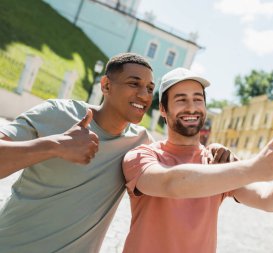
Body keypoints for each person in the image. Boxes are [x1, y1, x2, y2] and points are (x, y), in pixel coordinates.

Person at [122, 67, 273, 253]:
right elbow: (172, 184)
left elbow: (268, 200)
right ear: (163, 109)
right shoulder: (141, 157)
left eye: (198, 99)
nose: (192, 107)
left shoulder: (218, 162)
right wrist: (255, 167)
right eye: (181, 100)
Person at [0, 53, 156, 253]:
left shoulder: (141, 143)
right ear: (106, 85)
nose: (144, 95)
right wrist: (55, 145)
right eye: (134, 84)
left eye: (150, 88)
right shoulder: (57, 113)